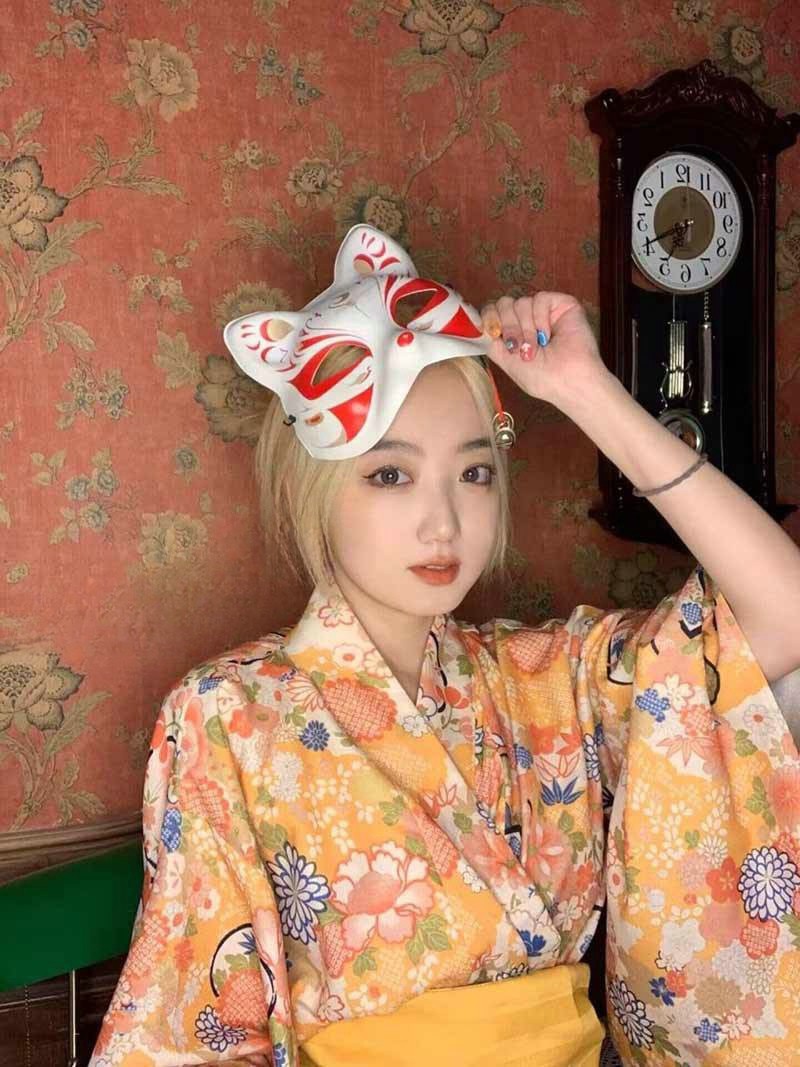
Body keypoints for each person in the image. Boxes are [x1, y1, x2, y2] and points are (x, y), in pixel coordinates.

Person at [91, 225, 800, 1067]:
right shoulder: (228, 711)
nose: (444, 522)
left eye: (474, 472)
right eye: (390, 474)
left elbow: (782, 615)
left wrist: (590, 394)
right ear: (313, 488)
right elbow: (201, 1031)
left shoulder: (545, 676)